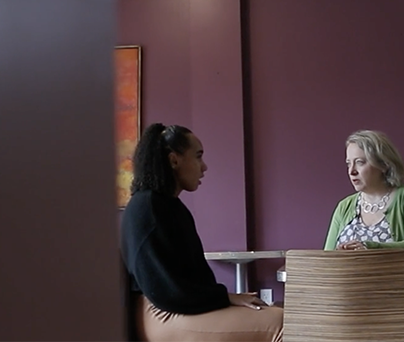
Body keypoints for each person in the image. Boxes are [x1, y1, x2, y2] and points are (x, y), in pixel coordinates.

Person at [120, 123, 283, 342]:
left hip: (179, 306)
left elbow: (193, 281)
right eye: (198, 157)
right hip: (161, 312)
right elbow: (167, 292)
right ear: (174, 160)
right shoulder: (148, 208)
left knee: (279, 315)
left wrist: (228, 298)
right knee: (280, 325)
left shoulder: (171, 207)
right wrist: (225, 298)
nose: (204, 167)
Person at [324, 129, 404, 342]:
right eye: (348, 164)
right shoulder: (344, 206)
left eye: (360, 162)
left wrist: (370, 248)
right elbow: (327, 258)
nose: (352, 171)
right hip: (349, 298)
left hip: (402, 297)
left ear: (384, 164)